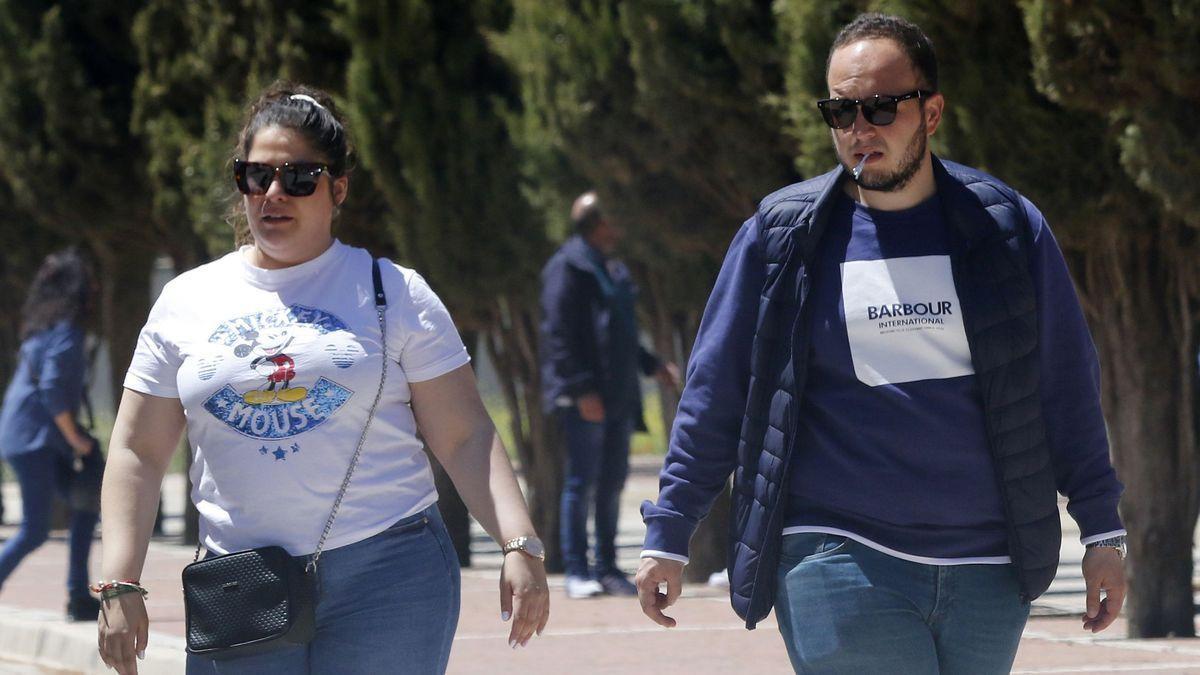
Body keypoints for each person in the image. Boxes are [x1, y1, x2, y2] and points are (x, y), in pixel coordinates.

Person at [635, 13, 1127, 674]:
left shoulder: (1005, 228)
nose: (859, 129)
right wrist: (670, 528)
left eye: (880, 107)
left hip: (989, 570)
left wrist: (1101, 529)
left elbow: (1065, 386)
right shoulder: (783, 237)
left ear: (931, 112)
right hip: (837, 555)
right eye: (840, 111)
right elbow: (716, 390)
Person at [95, 83, 549, 675]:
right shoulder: (188, 300)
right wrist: (119, 581)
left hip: (388, 574)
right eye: (257, 176)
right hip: (241, 579)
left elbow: (465, 436)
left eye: (300, 176)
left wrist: (519, 541)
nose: (275, 193)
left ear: (338, 188)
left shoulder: (395, 293)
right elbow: (137, 450)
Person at [539, 191, 679, 599]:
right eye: (613, 219)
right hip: (586, 398)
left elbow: (621, 332)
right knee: (581, 481)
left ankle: (607, 568)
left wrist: (652, 364)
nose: (619, 228)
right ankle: (577, 571)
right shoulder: (567, 267)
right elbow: (559, 335)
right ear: (598, 223)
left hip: (618, 395)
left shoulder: (610, 267)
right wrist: (581, 389)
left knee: (612, 482)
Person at [0, 248, 102, 621]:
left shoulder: (40, 332)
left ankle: (78, 595)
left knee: (85, 505)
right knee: (35, 529)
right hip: (36, 441)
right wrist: (77, 440)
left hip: (30, 438)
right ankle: (76, 594)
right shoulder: (65, 334)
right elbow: (55, 392)